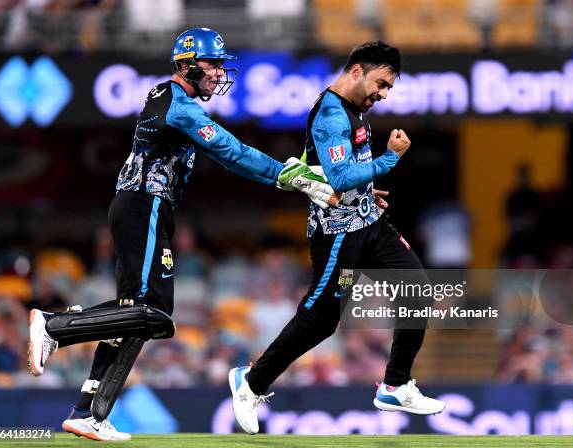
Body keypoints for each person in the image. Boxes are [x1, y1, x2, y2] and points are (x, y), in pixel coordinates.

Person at [27, 27, 335, 441]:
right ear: (187, 64)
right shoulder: (179, 105)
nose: (218, 73)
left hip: (142, 206)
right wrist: (285, 175)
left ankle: (90, 412)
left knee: (132, 314)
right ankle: (54, 326)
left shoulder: (173, 100)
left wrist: (285, 176)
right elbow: (230, 150)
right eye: (212, 64)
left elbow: (231, 159)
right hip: (145, 204)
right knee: (154, 311)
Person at [229, 41, 446, 435]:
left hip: (371, 227)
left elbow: (352, 172)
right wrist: (392, 157)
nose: (383, 94)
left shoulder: (356, 108)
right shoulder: (331, 113)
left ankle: (395, 384)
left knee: (417, 291)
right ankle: (251, 381)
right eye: (381, 84)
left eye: (389, 89)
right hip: (339, 239)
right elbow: (340, 176)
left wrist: (369, 190)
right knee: (319, 321)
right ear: (358, 71)